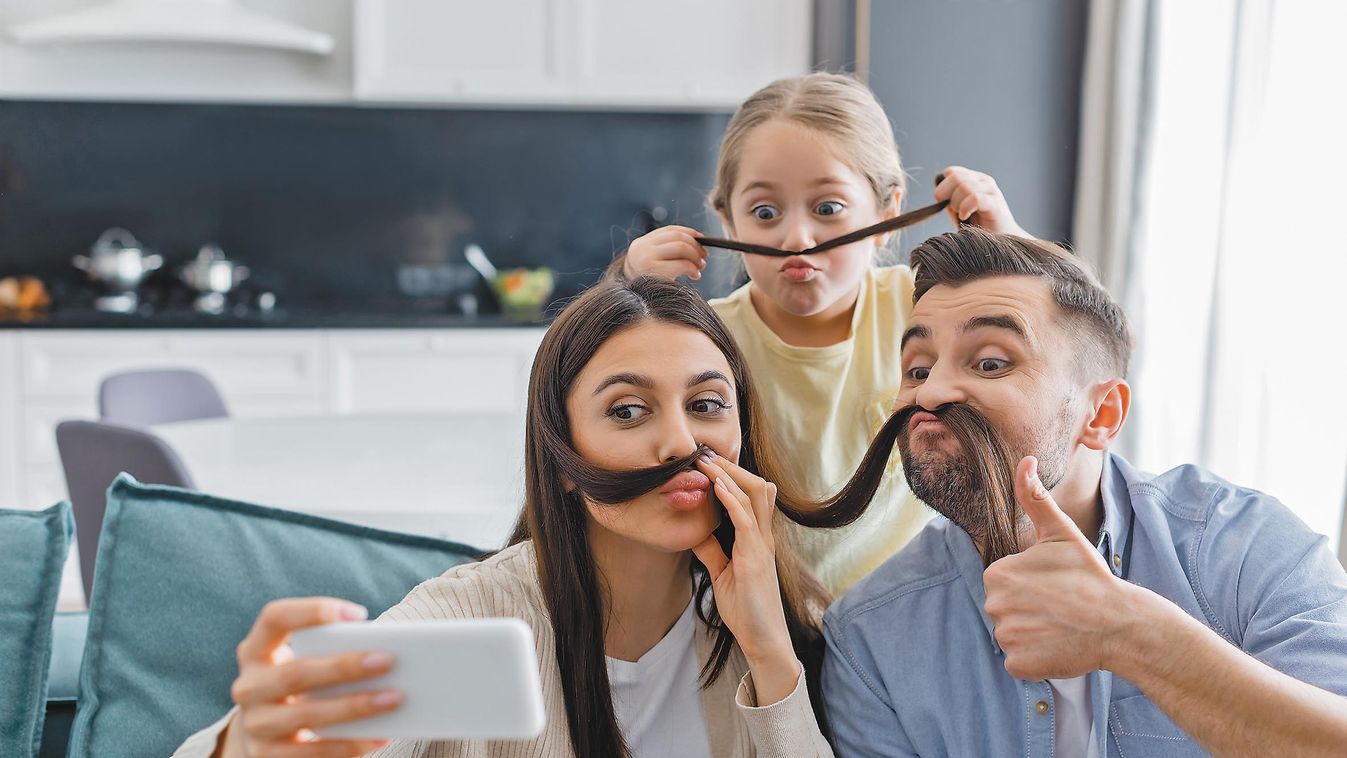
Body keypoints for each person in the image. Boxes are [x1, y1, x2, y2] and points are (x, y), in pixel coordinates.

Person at [174, 277, 834, 758]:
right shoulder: (473, 614)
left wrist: (770, 650)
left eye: (708, 404)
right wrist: (249, 743)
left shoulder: (783, 623)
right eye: (627, 411)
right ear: (562, 460)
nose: (678, 444)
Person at [822, 228, 1347, 756]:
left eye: (990, 363)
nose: (931, 392)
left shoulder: (1246, 549)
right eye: (918, 368)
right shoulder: (868, 638)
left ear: (1101, 414)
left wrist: (1132, 635)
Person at [617, 72, 1031, 594]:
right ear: (727, 221)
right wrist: (628, 293)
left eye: (828, 209)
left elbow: (1079, 342)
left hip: (913, 602)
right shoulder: (708, 338)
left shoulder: (929, 309)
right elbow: (599, 393)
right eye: (765, 212)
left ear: (888, 209)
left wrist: (1012, 246)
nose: (797, 238)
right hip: (760, 603)